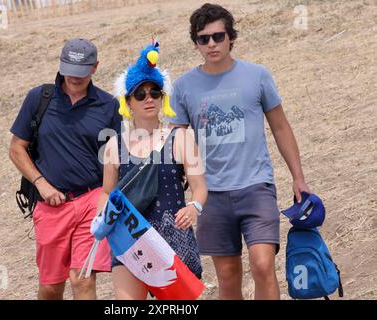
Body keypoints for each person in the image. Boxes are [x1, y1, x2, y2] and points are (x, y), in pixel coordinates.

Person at [168, 3, 310, 300]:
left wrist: (299, 178)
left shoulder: (257, 76)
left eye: (218, 36)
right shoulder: (183, 87)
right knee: (228, 275)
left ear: (231, 37)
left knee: (262, 265)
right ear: (195, 43)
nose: (212, 44)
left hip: (256, 186)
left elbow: (281, 128)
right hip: (210, 194)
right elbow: (177, 140)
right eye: (203, 38)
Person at [9, 38, 122, 300]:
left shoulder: (108, 106)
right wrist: (41, 183)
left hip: (91, 200)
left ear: (95, 68)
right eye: (69, 69)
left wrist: (108, 196)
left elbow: (117, 156)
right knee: (50, 286)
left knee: (82, 279)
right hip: (50, 205)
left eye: (81, 71)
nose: (73, 77)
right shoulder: (39, 98)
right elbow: (16, 148)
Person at [97, 41, 208, 299]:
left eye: (155, 92)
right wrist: (104, 214)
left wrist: (194, 207)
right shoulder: (114, 145)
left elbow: (200, 186)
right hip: (129, 238)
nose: (149, 98)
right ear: (128, 102)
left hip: (172, 238)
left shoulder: (180, 137)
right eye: (140, 94)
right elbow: (105, 192)